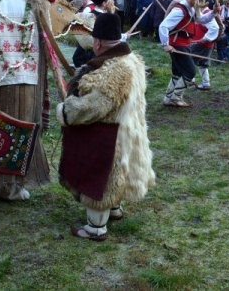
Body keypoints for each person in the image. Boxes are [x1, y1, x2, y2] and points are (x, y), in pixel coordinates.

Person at [56, 13, 155, 241]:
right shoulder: (131, 59)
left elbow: (95, 107)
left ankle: (95, 227)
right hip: (128, 128)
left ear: (98, 42)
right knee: (119, 172)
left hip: (108, 135)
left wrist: (66, 111)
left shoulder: (113, 70)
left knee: (101, 177)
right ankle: (114, 208)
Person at [159, 0, 217, 107]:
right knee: (190, 72)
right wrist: (165, 44)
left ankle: (168, 98)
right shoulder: (180, 10)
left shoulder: (191, 8)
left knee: (178, 72)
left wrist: (214, 13)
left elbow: (201, 20)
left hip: (183, 44)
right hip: (177, 45)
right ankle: (176, 97)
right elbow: (163, 26)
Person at [190, 7, 222, 90]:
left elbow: (215, 28)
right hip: (204, 43)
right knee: (202, 63)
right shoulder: (204, 13)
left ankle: (189, 80)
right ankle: (205, 83)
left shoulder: (206, 13)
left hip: (202, 44)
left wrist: (205, 39)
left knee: (190, 60)